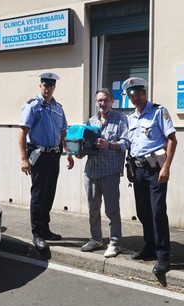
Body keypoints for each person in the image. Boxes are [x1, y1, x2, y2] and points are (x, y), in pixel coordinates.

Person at [122, 77, 177, 274]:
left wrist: (166, 167)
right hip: (137, 170)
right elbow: (130, 144)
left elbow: (172, 140)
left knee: (157, 212)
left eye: (138, 93)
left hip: (155, 170)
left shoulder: (158, 112)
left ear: (144, 93)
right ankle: (150, 246)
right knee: (143, 211)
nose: (135, 97)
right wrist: (129, 165)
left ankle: (163, 255)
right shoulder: (130, 118)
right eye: (131, 95)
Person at [18, 72, 74, 250]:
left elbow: (63, 133)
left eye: (51, 85)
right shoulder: (32, 106)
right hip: (39, 155)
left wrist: (69, 153)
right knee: (38, 194)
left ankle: (45, 228)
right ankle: (37, 234)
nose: (48, 88)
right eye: (45, 85)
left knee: (49, 193)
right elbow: (22, 134)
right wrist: (23, 159)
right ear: (40, 86)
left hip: (54, 155)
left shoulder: (58, 107)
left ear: (54, 87)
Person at [76, 88, 129, 258]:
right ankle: (96, 239)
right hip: (91, 171)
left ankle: (115, 243)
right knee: (93, 208)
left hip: (110, 171)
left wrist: (109, 145)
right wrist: (80, 151)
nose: (102, 103)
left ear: (112, 101)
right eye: (99, 100)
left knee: (112, 210)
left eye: (105, 100)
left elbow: (126, 142)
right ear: (96, 102)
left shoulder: (120, 119)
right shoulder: (91, 121)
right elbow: (86, 144)